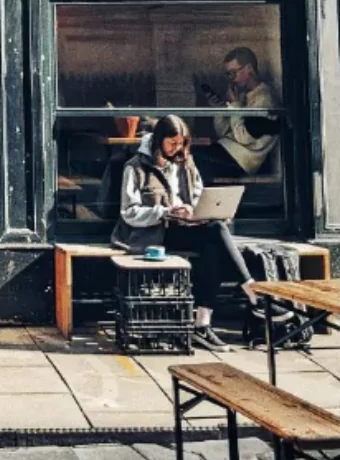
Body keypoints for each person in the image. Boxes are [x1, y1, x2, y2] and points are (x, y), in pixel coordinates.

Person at [110, 114, 259, 352]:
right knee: (215, 236)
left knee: (214, 241)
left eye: (181, 144)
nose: (177, 149)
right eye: (172, 143)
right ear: (159, 140)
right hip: (155, 233)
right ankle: (251, 290)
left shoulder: (185, 162)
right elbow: (128, 212)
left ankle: (202, 323)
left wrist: (196, 209)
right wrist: (165, 211)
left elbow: (199, 193)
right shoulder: (136, 167)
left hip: (185, 226)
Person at [196, 47, 282, 179]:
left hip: (243, 161)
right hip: (229, 151)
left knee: (194, 159)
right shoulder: (243, 95)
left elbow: (244, 138)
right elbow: (223, 133)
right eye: (228, 74)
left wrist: (235, 105)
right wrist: (219, 108)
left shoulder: (264, 99)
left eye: (233, 73)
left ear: (249, 69)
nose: (231, 79)